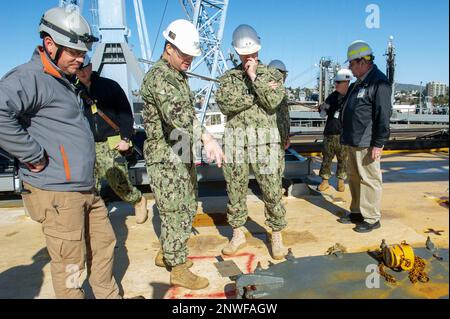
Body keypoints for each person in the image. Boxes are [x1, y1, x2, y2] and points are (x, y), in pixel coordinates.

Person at [0, 7, 121, 298]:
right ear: (50, 44)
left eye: (83, 54)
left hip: (84, 188)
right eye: (74, 53)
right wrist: (32, 154)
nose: (80, 60)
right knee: (70, 265)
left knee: (104, 244)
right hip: (58, 193)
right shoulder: (30, 77)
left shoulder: (65, 80)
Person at [140, 19, 225, 290]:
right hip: (166, 158)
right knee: (175, 210)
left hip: (179, 152)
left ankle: (168, 252)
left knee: (187, 205)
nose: (189, 60)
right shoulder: (160, 77)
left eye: (191, 56)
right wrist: (207, 138)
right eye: (185, 55)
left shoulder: (177, 75)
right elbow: (177, 116)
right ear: (169, 49)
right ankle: (177, 268)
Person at [215, 25, 287, 260]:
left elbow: (273, 101)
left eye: (253, 53)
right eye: (246, 55)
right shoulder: (228, 78)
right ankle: (237, 233)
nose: (250, 58)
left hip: (265, 143)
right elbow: (225, 104)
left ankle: (276, 234)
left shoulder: (272, 75)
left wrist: (254, 78)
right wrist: (254, 95)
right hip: (236, 142)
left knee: (272, 190)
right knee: (235, 190)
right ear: (237, 53)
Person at [76, 56, 148, 224]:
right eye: (79, 69)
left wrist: (125, 138)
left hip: (111, 139)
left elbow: (125, 114)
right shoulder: (74, 91)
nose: (82, 72)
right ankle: (95, 214)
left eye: (85, 68)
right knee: (89, 182)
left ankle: (137, 200)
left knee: (117, 178)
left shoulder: (109, 86)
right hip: (86, 142)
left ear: (91, 66)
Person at [338, 40, 392, 233]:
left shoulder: (379, 82)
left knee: (369, 179)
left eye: (352, 64)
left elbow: (383, 114)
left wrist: (378, 143)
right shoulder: (358, 83)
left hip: (367, 142)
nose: (350, 68)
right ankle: (357, 211)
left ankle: (371, 217)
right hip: (353, 140)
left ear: (362, 62)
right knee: (353, 177)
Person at [317, 69, 352, 192]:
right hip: (330, 133)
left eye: (338, 82)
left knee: (343, 159)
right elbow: (322, 113)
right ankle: (325, 181)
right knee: (327, 158)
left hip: (344, 135)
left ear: (346, 82)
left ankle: (341, 180)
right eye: (335, 82)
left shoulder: (351, 97)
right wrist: (322, 108)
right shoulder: (332, 96)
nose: (335, 84)